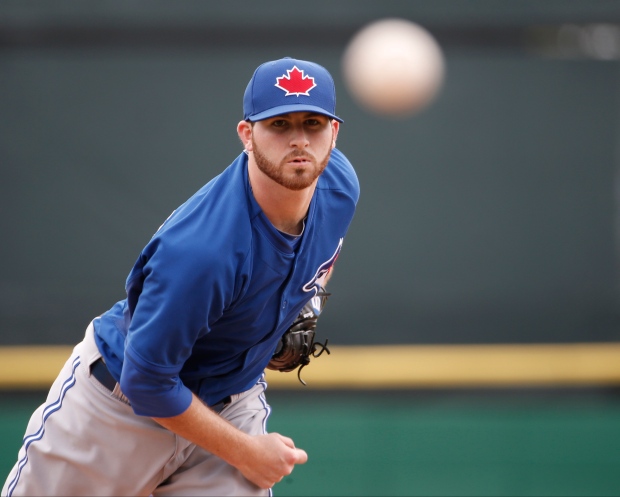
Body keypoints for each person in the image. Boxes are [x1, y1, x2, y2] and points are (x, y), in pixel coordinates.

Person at [2, 56, 359, 496]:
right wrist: (247, 453)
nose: (299, 140)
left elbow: (325, 252)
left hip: (230, 399)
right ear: (247, 135)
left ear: (334, 133)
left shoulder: (339, 187)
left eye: (313, 123)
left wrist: (306, 301)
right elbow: (147, 383)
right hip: (116, 410)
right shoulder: (204, 251)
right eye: (279, 125)